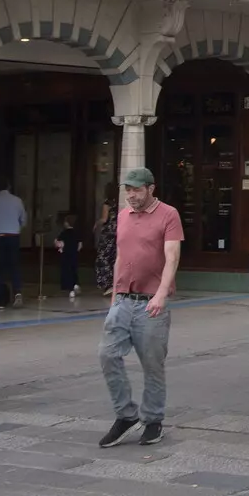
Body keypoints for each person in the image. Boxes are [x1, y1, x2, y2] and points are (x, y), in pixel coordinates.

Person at [98, 167, 182, 448]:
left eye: (136, 190)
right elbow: (121, 256)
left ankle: (153, 420)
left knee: (152, 366)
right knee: (108, 355)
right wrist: (114, 296)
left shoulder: (168, 215)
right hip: (123, 299)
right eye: (128, 190)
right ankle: (126, 414)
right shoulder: (123, 216)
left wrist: (161, 294)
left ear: (151, 188)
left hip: (151, 304)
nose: (131, 195)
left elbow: (171, 258)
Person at [94, 187, 119, 297]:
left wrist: (96, 224)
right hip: (117, 233)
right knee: (113, 258)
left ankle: (107, 284)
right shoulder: (119, 203)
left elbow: (104, 219)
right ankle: (114, 283)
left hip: (108, 233)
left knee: (102, 258)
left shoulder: (107, 203)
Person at [55, 213, 83, 298]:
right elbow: (80, 245)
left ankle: (69, 288)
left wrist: (59, 247)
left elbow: (59, 243)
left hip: (66, 255)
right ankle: (75, 284)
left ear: (66, 223)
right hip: (74, 255)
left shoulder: (63, 233)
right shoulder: (77, 233)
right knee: (74, 270)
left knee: (67, 271)